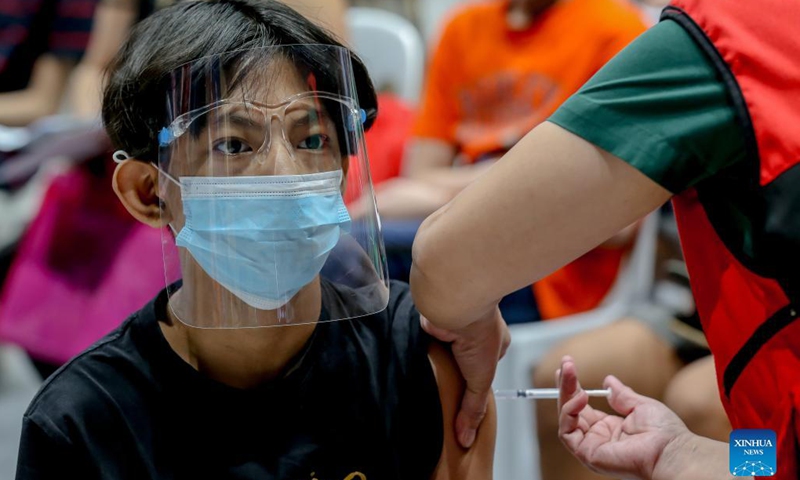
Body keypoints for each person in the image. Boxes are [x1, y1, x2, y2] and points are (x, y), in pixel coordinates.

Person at [14, 1, 496, 478]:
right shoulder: (85, 422)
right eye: (235, 145)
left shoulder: (421, 360)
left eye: (312, 140)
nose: (285, 174)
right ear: (148, 192)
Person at [410, 0, 800, 477]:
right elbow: (779, 464)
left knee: (698, 403)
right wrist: (680, 454)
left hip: (746, 336)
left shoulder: (726, 38)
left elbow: (446, 266)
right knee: (574, 376)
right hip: (711, 322)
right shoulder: (463, 30)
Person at [373, 0, 647, 320]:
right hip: (468, 224)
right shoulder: (462, 29)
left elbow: (616, 220)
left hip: (554, 270)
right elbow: (420, 172)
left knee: (362, 256)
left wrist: (449, 193)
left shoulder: (616, 30)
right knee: (360, 248)